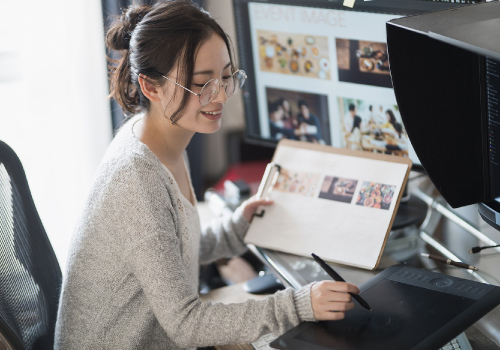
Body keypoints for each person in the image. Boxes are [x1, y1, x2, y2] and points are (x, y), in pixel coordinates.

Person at [54, 2, 360, 349]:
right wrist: (297, 304)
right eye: (201, 84)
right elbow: (187, 325)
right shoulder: (137, 180)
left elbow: (169, 251)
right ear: (151, 87)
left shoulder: (161, 136)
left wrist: (234, 229)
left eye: (226, 76)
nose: (218, 97)